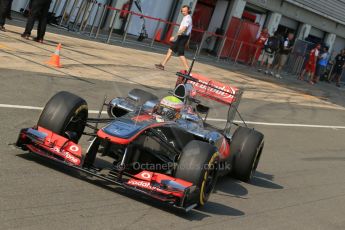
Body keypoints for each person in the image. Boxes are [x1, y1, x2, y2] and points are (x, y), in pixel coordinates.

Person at [155, 5, 192, 71]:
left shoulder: (188, 18)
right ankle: (162, 65)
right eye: (182, 11)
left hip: (183, 37)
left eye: (184, 11)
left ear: (188, 10)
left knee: (180, 53)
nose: (183, 12)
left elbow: (184, 29)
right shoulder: (186, 17)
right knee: (170, 50)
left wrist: (174, 36)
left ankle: (188, 70)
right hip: (182, 37)